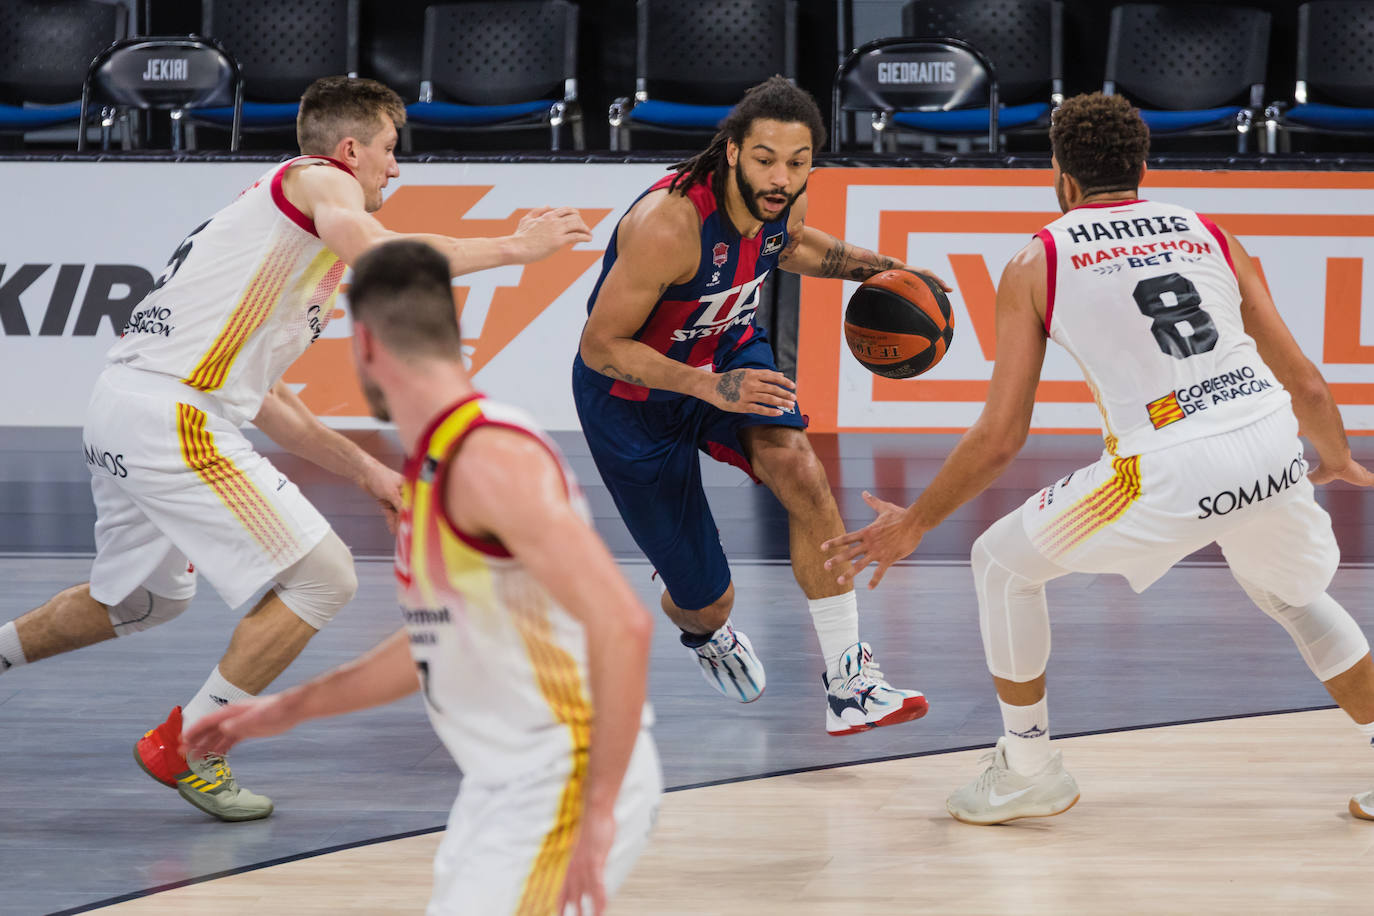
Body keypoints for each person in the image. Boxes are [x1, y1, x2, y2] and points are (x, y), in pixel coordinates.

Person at [0, 76, 592, 822]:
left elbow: (272, 405)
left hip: (129, 408)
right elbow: (381, 254)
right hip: (169, 415)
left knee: (138, 602)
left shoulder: (287, 249)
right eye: (389, 149)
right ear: (350, 149)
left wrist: (371, 472)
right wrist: (515, 245)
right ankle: (190, 746)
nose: (395, 168)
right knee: (323, 578)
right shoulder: (315, 180)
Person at [822, 92, 1374, 824]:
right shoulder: (1209, 231)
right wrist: (1330, 455)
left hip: (1170, 464)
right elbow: (1303, 378)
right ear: (1144, 165)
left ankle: (1029, 768)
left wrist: (916, 521)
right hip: (1272, 438)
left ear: (1061, 179)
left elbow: (1001, 438)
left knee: (1000, 563)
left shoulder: (1037, 259)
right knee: (1293, 595)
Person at [185, 239, 660, 916]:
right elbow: (432, 645)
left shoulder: (488, 457)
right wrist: (277, 712)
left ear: (367, 347)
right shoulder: (435, 463)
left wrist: (598, 812)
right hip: (502, 785)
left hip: (563, 780)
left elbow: (624, 622)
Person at [573, 76, 943, 733]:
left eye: (798, 163)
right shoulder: (670, 225)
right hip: (634, 396)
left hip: (729, 349)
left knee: (800, 469)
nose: (782, 177)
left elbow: (792, 246)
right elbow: (601, 345)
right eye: (767, 159)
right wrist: (708, 386)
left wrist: (886, 271)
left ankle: (851, 684)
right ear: (735, 151)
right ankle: (704, 635)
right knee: (708, 602)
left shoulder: (784, 200)